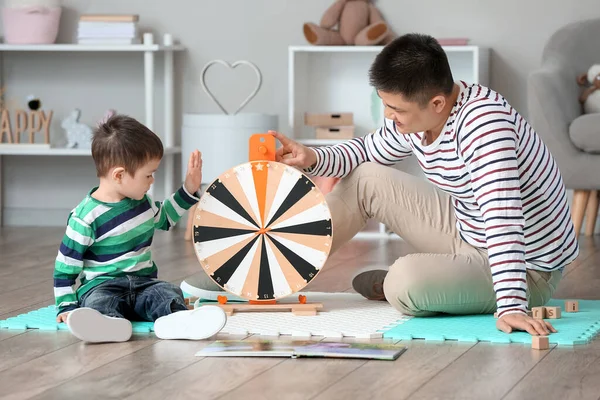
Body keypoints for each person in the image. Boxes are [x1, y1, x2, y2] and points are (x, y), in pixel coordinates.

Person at [189, 32, 579, 337]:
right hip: (468, 228)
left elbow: (504, 221)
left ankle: (402, 284)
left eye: (396, 109)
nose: (390, 118)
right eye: (386, 105)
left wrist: (512, 304)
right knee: (366, 179)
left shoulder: (485, 128)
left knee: (407, 282)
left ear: (438, 103)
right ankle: (261, 270)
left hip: (526, 267)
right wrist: (313, 158)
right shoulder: (420, 117)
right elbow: (367, 150)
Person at [53, 114, 226, 343]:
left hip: (144, 284)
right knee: (97, 303)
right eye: (148, 174)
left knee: (169, 293)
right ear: (119, 175)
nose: (152, 181)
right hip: (102, 285)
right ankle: (107, 325)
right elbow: (65, 267)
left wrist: (188, 189)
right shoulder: (85, 218)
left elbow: (165, 217)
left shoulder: (143, 204)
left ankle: (177, 322)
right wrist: (66, 306)